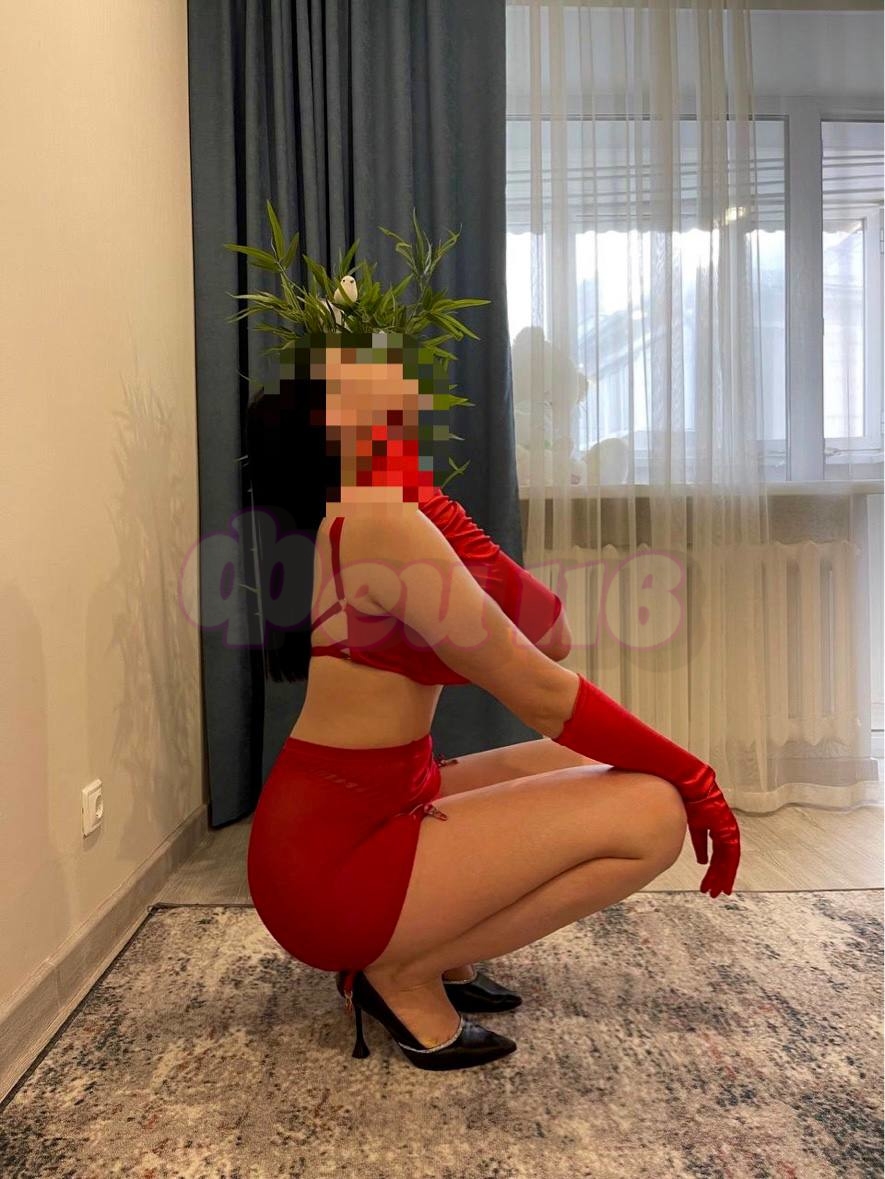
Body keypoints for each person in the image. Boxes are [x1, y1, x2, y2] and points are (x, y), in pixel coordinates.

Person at [245, 332, 741, 1073]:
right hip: (330, 856)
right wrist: (696, 778)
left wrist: (444, 513)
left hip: (378, 800)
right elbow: (541, 691)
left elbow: (552, 636)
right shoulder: (376, 522)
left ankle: (425, 950)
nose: (407, 392)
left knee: (597, 766)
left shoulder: (390, 514)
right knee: (654, 812)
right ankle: (400, 969)